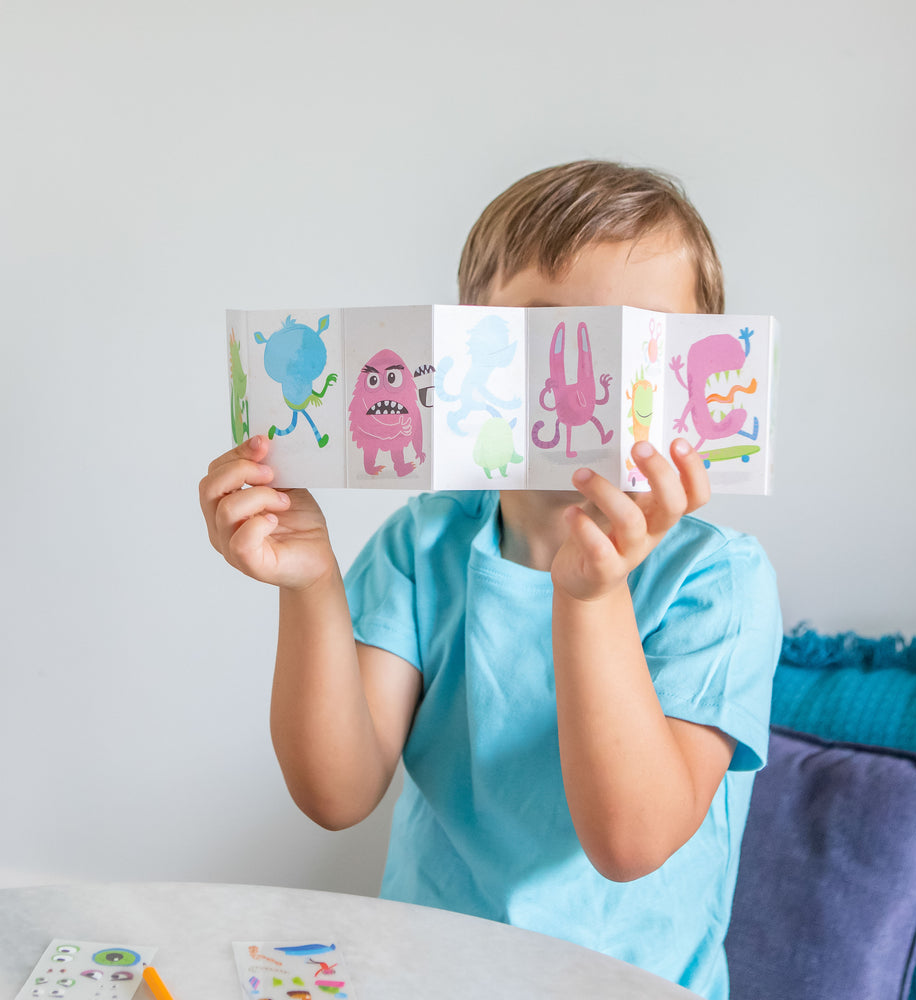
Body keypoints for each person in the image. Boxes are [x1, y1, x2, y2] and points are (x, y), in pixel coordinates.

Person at [200, 160, 782, 1000]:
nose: (589, 378)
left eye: (641, 339)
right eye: (546, 334)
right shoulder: (425, 542)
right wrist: (310, 582)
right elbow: (336, 791)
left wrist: (590, 596)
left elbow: (629, 844)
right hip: (426, 979)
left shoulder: (718, 580)